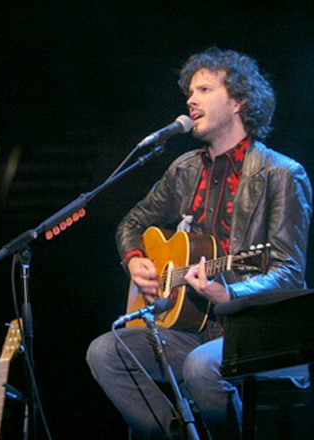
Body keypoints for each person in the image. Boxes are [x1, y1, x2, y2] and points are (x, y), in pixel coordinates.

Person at [86, 47, 312, 439]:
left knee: (199, 367)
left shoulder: (281, 174)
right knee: (106, 351)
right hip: (192, 330)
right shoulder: (185, 169)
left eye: (205, 89)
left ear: (239, 101)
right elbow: (133, 222)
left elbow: (289, 272)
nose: (191, 100)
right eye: (190, 92)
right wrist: (135, 259)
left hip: (253, 333)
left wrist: (229, 293)